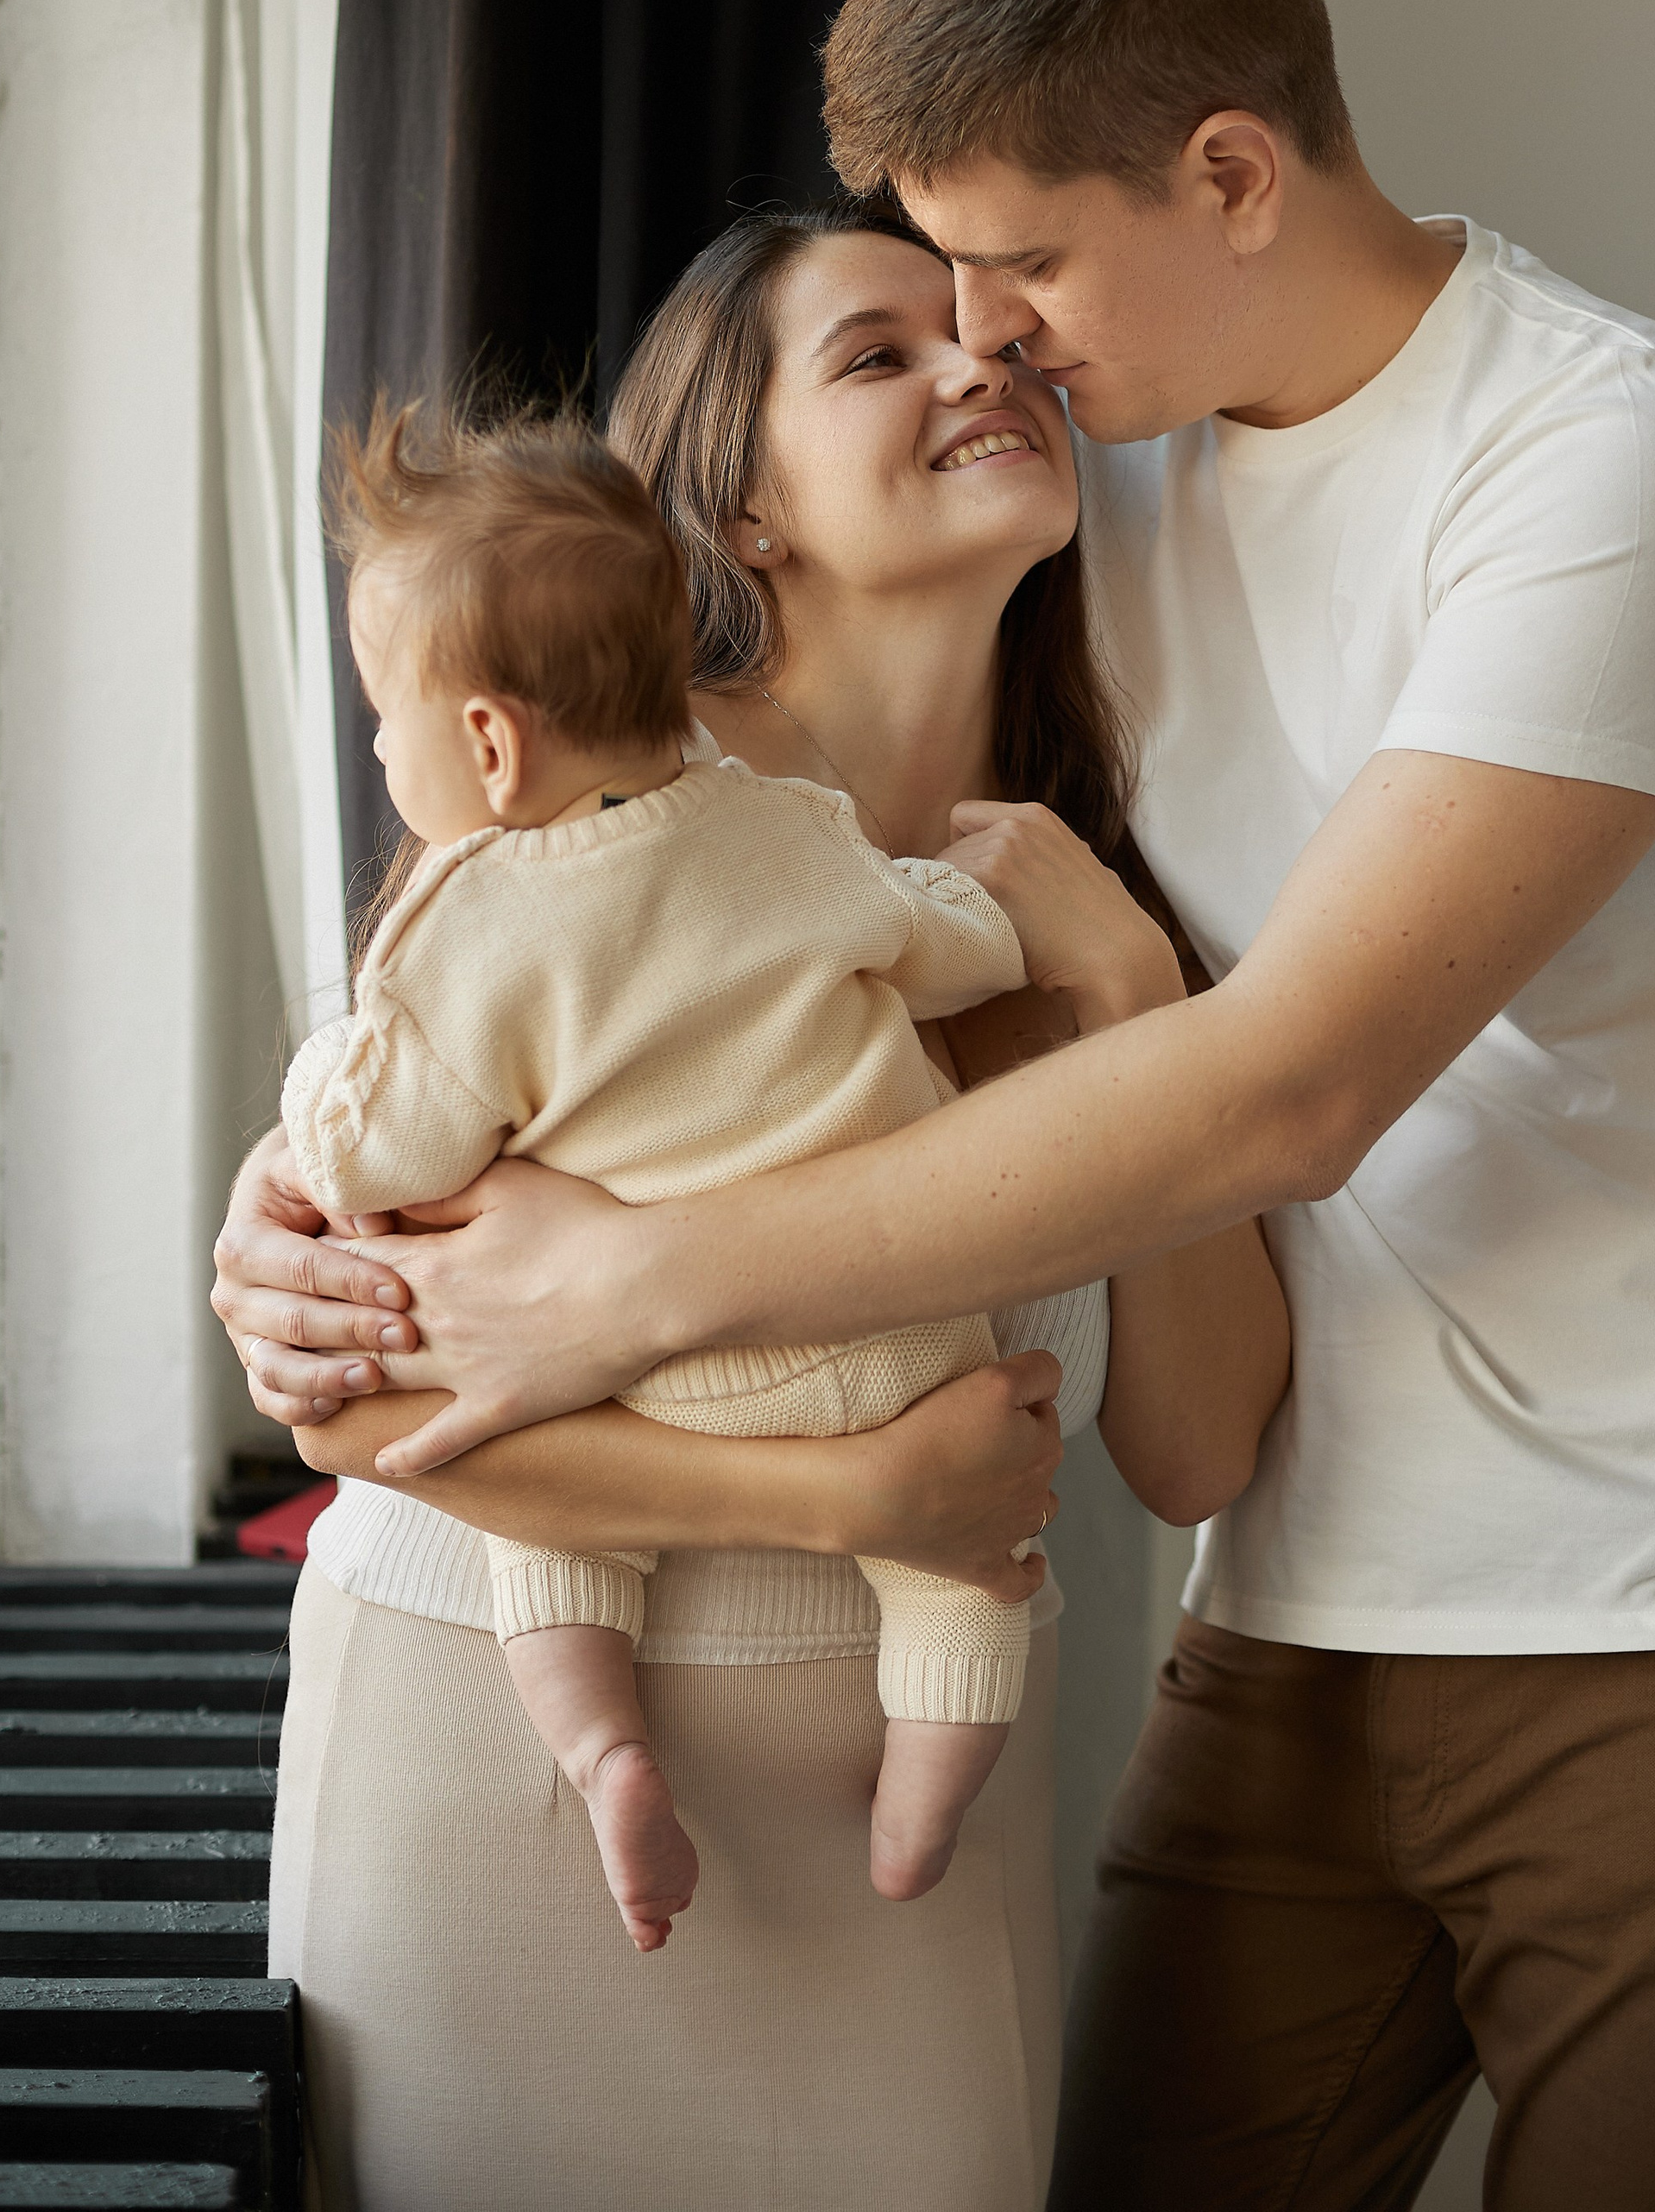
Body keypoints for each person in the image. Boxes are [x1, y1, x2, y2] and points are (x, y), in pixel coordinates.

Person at [223, 0, 1655, 2211]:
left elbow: (1286, 1085)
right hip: (1293, 1609)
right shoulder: (1115, 493)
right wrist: (276, 1237)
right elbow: (417, 1157)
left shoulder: (1614, 462)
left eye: (1008, 274)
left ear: (1230, 177)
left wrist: (668, 1273)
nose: (993, 346)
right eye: (913, 314)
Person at [233, 199, 1290, 2212]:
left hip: (918, 1815)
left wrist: (1134, 1001)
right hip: (500, 1747)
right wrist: (844, 1504)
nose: (979, 364)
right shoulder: (567, 834)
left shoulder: (1103, 891)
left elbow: (1195, 1442)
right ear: (734, 513)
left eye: (990, 335)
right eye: (881, 352)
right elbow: (356, 1410)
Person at [279, 396, 1082, 1947]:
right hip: (908, 1353)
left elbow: (374, 1148)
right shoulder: (789, 833)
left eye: (384, 715)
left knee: (559, 1544)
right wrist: (1042, 933)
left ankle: (604, 1749)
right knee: (965, 1575)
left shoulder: (468, 932)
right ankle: (925, 1807)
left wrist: (328, 1087)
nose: (381, 749)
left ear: (489, 744)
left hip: (655, 1382)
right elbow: (950, 941)